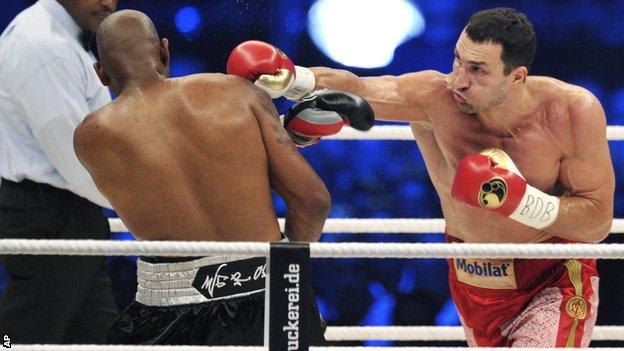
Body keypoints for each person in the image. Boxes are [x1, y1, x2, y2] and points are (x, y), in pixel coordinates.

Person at [226, 7, 615, 348]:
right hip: (472, 276)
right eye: (458, 60)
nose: (458, 79)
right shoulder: (435, 99)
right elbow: (359, 88)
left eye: (477, 70)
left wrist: (522, 201)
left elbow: (597, 222)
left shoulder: (569, 112)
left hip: (551, 277)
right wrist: (294, 78)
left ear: (517, 77)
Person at [73, 10, 373, 346]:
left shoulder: (91, 136)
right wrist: (284, 272)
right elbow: (313, 201)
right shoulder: (238, 93)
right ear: (165, 51)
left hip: (169, 309)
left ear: (101, 73)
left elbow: (161, 176)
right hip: (271, 294)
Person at [0, 0, 118, 344]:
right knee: (21, 334)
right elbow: (78, 159)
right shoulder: (44, 45)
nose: (106, 1)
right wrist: (143, 207)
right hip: (50, 215)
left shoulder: (64, 38)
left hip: (66, 213)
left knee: (98, 335)